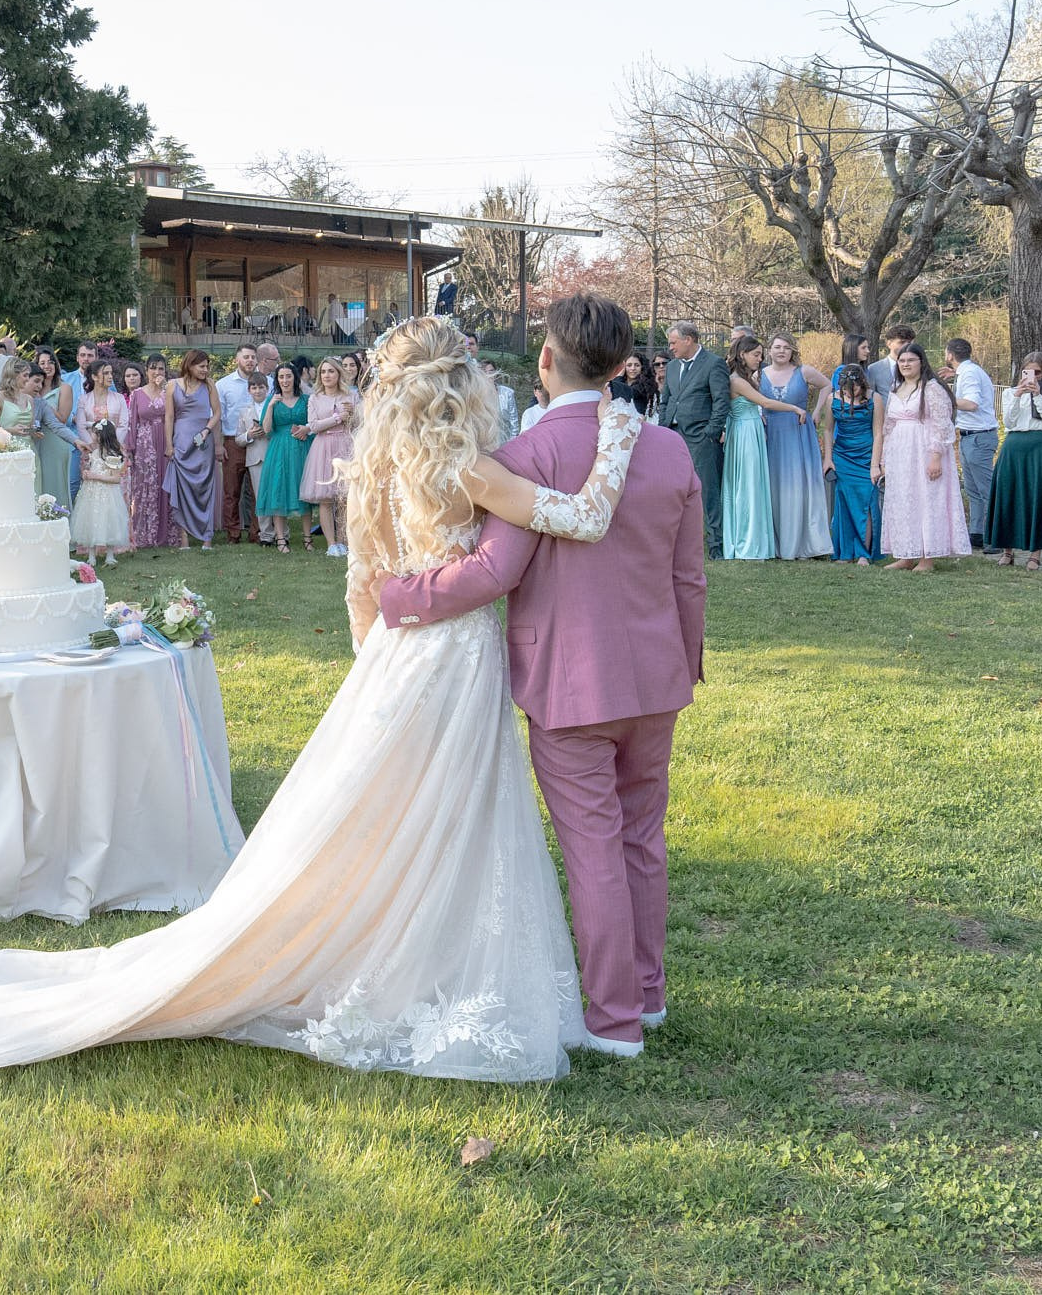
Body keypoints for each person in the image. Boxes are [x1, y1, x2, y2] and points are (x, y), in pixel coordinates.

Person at [0, 313, 659, 1099]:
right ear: (468, 386)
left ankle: (413, 943)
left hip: (405, 659)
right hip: (459, 649)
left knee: (389, 810)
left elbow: (363, 579)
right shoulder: (486, 466)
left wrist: (377, 662)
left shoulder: (377, 463)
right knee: (459, 814)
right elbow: (542, 536)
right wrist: (615, 442)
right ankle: (441, 960)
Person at [378, 297, 702, 1057]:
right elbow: (690, 578)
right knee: (642, 838)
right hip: (657, 676)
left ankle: (615, 1020)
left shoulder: (523, 459)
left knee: (593, 844)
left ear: (546, 362)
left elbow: (492, 573)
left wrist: (396, 596)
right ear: (625, 365)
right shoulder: (669, 451)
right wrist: (685, 661)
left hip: (568, 680)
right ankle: (646, 995)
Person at [879, 341, 970, 573]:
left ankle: (926, 558)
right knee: (903, 501)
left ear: (921, 362)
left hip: (923, 450)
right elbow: (888, 427)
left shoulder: (931, 388)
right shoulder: (895, 389)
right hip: (900, 454)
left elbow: (942, 425)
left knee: (925, 500)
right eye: (902, 361)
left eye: (911, 360)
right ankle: (905, 554)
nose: (906, 364)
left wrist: (936, 456)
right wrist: (884, 458)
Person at [984, 352, 1042, 571]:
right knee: (1009, 495)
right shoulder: (1011, 393)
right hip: (1014, 445)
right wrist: (1019, 395)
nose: (1034, 377)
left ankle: (1034, 555)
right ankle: (1007, 551)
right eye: (1028, 372)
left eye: (1038, 373)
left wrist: (1039, 396)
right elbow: (1008, 421)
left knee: (1036, 497)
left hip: (1039, 447)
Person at [721, 336, 801, 560]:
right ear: (742, 355)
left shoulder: (745, 379)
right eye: (756, 354)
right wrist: (794, 408)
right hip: (744, 434)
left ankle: (755, 540)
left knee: (754, 484)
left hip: (751, 431)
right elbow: (765, 403)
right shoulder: (737, 380)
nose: (760, 358)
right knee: (747, 485)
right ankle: (747, 542)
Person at [659, 322, 731, 559]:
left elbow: (722, 401)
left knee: (708, 491)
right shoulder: (671, 368)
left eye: (673, 342)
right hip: (673, 436)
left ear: (688, 339)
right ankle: (674, 543)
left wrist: (711, 431)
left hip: (701, 437)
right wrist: (663, 429)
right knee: (671, 491)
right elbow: (666, 401)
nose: (670, 348)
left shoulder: (713, 363)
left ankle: (716, 546)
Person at [757, 334, 833, 560]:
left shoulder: (804, 371)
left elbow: (827, 385)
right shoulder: (758, 375)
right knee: (775, 484)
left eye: (786, 348)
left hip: (799, 431)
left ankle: (805, 542)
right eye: (777, 347)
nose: (781, 351)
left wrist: (817, 410)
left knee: (800, 483)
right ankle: (777, 542)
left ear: (792, 351)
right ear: (769, 350)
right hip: (772, 433)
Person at [941, 338, 999, 553]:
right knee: (973, 489)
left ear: (949, 355)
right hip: (968, 436)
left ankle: (996, 537)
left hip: (979, 436)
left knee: (987, 489)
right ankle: (978, 533)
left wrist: (944, 396)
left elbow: (972, 404)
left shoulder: (970, 373)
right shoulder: (965, 372)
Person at [822, 363, 884, 565]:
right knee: (845, 504)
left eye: (855, 389)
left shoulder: (875, 399)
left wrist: (875, 464)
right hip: (843, 456)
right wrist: (828, 458)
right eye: (847, 390)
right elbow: (828, 430)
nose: (851, 393)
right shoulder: (833, 399)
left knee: (865, 503)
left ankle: (863, 552)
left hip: (866, 456)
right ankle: (845, 552)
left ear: (862, 384)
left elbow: (878, 433)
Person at [162, 349, 221, 551]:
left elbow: (217, 413)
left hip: (203, 442)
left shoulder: (210, 385)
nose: (205, 370)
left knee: (204, 487)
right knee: (181, 488)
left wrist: (206, 430)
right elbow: (169, 417)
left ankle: (207, 538)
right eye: (201, 366)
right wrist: (169, 445)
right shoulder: (171, 386)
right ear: (190, 365)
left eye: (207, 366)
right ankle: (184, 539)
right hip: (181, 440)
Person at [299, 355, 358, 557]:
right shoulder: (315, 398)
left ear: (338, 373)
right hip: (323, 447)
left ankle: (344, 541)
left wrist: (352, 416)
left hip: (345, 445)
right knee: (326, 498)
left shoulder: (350, 396)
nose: (326, 375)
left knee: (344, 497)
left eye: (331, 371)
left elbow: (358, 425)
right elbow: (313, 426)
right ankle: (331, 543)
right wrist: (337, 418)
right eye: (323, 371)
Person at [70, 384, 130, 565]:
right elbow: (90, 468)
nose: (92, 436)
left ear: (102, 436)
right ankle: (91, 555)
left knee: (109, 521)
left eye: (95, 433)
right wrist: (86, 473)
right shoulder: (94, 453)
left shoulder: (112, 455)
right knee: (90, 521)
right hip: (91, 495)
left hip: (107, 495)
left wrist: (95, 476)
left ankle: (110, 554)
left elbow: (115, 478)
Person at [257, 362, 313, 553]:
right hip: (279, 449)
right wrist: (271, 406)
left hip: (301, 448)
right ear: (277, 380)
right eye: (281, 377)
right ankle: (281, 540)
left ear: (294, 378)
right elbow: (266, 430)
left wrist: (306, 431)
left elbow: (313, 424)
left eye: (288, 376)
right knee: (278, 490)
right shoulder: (272, 400)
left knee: (303, 490)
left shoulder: (306, 399)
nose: (285, 380)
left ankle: (307, 538)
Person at [122, 360, 175, 550]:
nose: (157, 372)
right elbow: (132, 423)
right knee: (145, 485)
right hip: (145, 444)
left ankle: (166, 533)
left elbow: (175, 416)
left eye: (161, 368)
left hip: (166, 441)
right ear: (147, 371)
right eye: (153, 368)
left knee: (165, 484)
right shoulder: (137, 394)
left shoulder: (170, 390)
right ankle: (145, 532)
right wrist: (131, 449)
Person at [214, 347, 259, 543]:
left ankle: (257, 532)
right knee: (232, 491)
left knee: (258, 490)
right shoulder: (223, 385)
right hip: (233, 442)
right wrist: (218, 444)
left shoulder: (267, 382)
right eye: (246, 357)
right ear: (237, 360)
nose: (250, 360)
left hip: (259, 440)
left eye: (253, 357)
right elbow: (217, 417)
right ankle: (233, 533)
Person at [32, 349, 79, 504]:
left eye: (51, 362)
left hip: (56, 441)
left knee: (56, 484)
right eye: (42, 363)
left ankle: (60, 518)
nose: (47, 366)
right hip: (37, 441)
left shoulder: (64, 388)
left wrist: (44, 403)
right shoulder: (32, 389)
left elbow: (63, 420)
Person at [241, 370, 275, 545]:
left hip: (274, 454)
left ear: (267, 388)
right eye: (253, 387)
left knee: (277, 494)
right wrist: (249, 434)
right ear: (249, 390)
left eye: (261, 387)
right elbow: (238, 438)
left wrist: (268, 431)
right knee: (261, 496)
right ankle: (266, 535)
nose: (257, 390)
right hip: (255, 458)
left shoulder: (274, 406)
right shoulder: (244, 411)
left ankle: (282, 533)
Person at [865, 324, 912, 400]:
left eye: (909, 343)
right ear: (889, 344)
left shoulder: (916, 367)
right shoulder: (874, 369)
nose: (906, 346)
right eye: (901, 342)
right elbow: (870, 397)